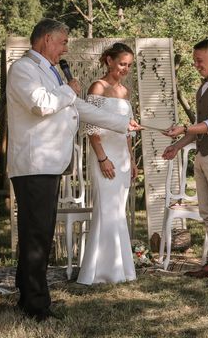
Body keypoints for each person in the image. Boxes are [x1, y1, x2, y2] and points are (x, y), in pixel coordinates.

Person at [7, 19, 141, 321]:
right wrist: (69, 91)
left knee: (37, 232)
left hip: (49, 164)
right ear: (45, 41)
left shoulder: (52, 72)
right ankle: (36, 306)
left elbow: (79, 108)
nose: (66, 48)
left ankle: (27, 293)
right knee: (37, 234)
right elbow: (41, 104)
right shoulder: (23, 69)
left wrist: (122, 123)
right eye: (63, 42)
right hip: (33, 163)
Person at [161, 39, 208, 284]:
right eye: (194, 60)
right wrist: (177, 146)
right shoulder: (203, 87)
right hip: (203, 156)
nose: (196, 65)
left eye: (200, 61)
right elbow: (197, 128)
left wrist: (183, 127)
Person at [77, 43, 138, 285]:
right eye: (122, 63)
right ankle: (98, 271)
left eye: (129, 65)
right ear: (109, 60)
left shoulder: (125, 92)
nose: (125, 69)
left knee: (117, 211)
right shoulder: (98, 87)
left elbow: (128, 132)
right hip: (104, 154)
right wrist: (102, 158)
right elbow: (91, 127)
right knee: (106, 210)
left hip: (122, 156)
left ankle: (120, 269)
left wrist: (132, 161)